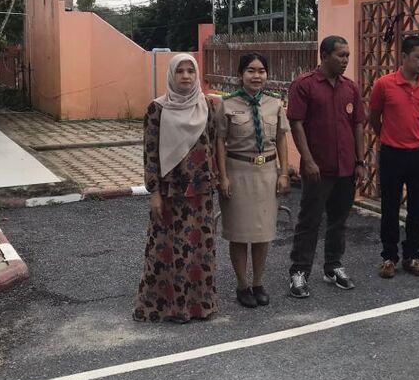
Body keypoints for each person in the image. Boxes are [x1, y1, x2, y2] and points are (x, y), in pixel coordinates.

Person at [134, 54, 220, 324]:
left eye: (190, 71)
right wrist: (154, 193)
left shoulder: (207, 106)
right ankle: (167, 307)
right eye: (180, 71)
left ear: (196, 75)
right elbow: (150, 154)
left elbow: (213, 143)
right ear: (171, 75)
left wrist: (217, 179)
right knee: (167, 248)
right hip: (171, 191)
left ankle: (199, 306)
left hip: (201, 191)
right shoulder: (157, 109)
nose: (185, 76)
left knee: (199, 248)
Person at [286, 35, 367, 298]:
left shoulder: (350, 88)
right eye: (341, 55)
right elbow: (296, 124)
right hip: (317, 169)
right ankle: (299, 271)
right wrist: (308, 160)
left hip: (346, 168)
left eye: (347, 56)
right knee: (309, 221)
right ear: (324, 55)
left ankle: (333, 266)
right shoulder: (304, 85)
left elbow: (357, 125)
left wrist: (359, 161)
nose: (345, 60)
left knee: (339, 221)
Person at [216, 53, 291, 309]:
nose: (256, 76)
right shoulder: (226, 104)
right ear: (241, 75)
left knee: (262, 234)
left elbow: (281, 139)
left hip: (266, 173)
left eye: (261, 71)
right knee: (239, 234)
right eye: (250, 70)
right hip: (238, 174)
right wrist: (223, 176)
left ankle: (258, 282)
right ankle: (242, 284)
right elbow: (220, 141)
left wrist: (283, 173)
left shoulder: (275, 103)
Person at [369, 35, 419, 279]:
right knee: (390, 206)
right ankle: (389, 257)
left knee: (417, 208)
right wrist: (388, 137)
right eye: (418, 57)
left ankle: (412, 255)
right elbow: (374, 117)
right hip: (393, 154)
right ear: (404, 57)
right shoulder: (384, 84)